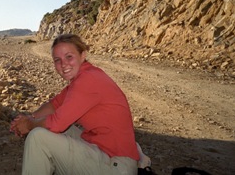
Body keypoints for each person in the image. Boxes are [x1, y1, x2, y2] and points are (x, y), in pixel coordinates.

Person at [10, 34, 140, 175]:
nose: (63, 64)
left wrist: (29, 124)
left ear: (82, 55)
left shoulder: (88, 79)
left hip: (116, 164)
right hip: (103, 150)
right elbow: (54, 105)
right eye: (57, 60)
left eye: (69, 57)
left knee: (38, 137)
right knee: (51, 129)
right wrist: (29, 118)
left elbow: (57, 123)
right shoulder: (84, 77)